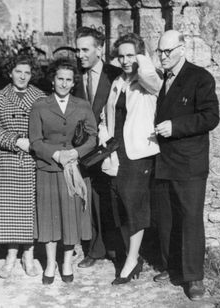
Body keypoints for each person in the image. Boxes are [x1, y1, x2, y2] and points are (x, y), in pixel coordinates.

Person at [153, 30, 220, 300]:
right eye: (160, 51)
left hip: (190, 163)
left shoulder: (199, 77)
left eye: (168, 51)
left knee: (190, 219)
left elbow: (211, 117)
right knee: (167, 218)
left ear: (182, 49)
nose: (163, 56)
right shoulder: (163, 80)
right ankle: (173, 268)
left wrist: (176, 126)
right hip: (165, 160)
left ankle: (194, 278)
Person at [98, 33, 162, 284]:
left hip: (139, 153)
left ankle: (132, 260)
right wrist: (105, 139)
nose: (125, 60)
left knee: (134, 205)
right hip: (117, 152)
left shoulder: (148, 80)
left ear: (140, 55)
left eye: (130, 55)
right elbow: (106, 116)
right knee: (120, 205)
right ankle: (130, 253)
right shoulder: (117, 82)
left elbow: (151, 78)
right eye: (121, 56)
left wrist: (141, 57)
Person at [29, 58, 97, 284]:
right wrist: (56, 155)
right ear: (53, 80)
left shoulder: (82, 105)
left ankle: (67, 262)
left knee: (70, 218)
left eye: (69, 80)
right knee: (49, 218)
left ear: (73, 82)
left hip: (74, 169)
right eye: (60, 79)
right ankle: (50, 263)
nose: (64, 84)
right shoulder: (40, 105)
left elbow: (93, 137)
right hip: (48, 169)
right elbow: (35, 141)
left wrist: (76, 153)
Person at [0, 55, 46, 279]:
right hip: (9, 159)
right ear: (10, 72)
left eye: (27, 72)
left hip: (33, 158)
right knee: (10, 209)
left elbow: (46, 126)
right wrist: (15, 141)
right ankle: (11, 255)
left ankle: (28, 254)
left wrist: (34, 142)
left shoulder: (40, 97)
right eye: (18, 71)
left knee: (30, 208)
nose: (22, 76)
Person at [74, 26, 123, 268]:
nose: (80, 54)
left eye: (85, 49)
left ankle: (115, 248)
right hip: (84, 149)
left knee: (112, 197)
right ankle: (95, 250)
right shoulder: (73, 76)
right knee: (91, 198)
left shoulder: (116, 74)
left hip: (110, 148)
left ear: (99, 49)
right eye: (78, 50)